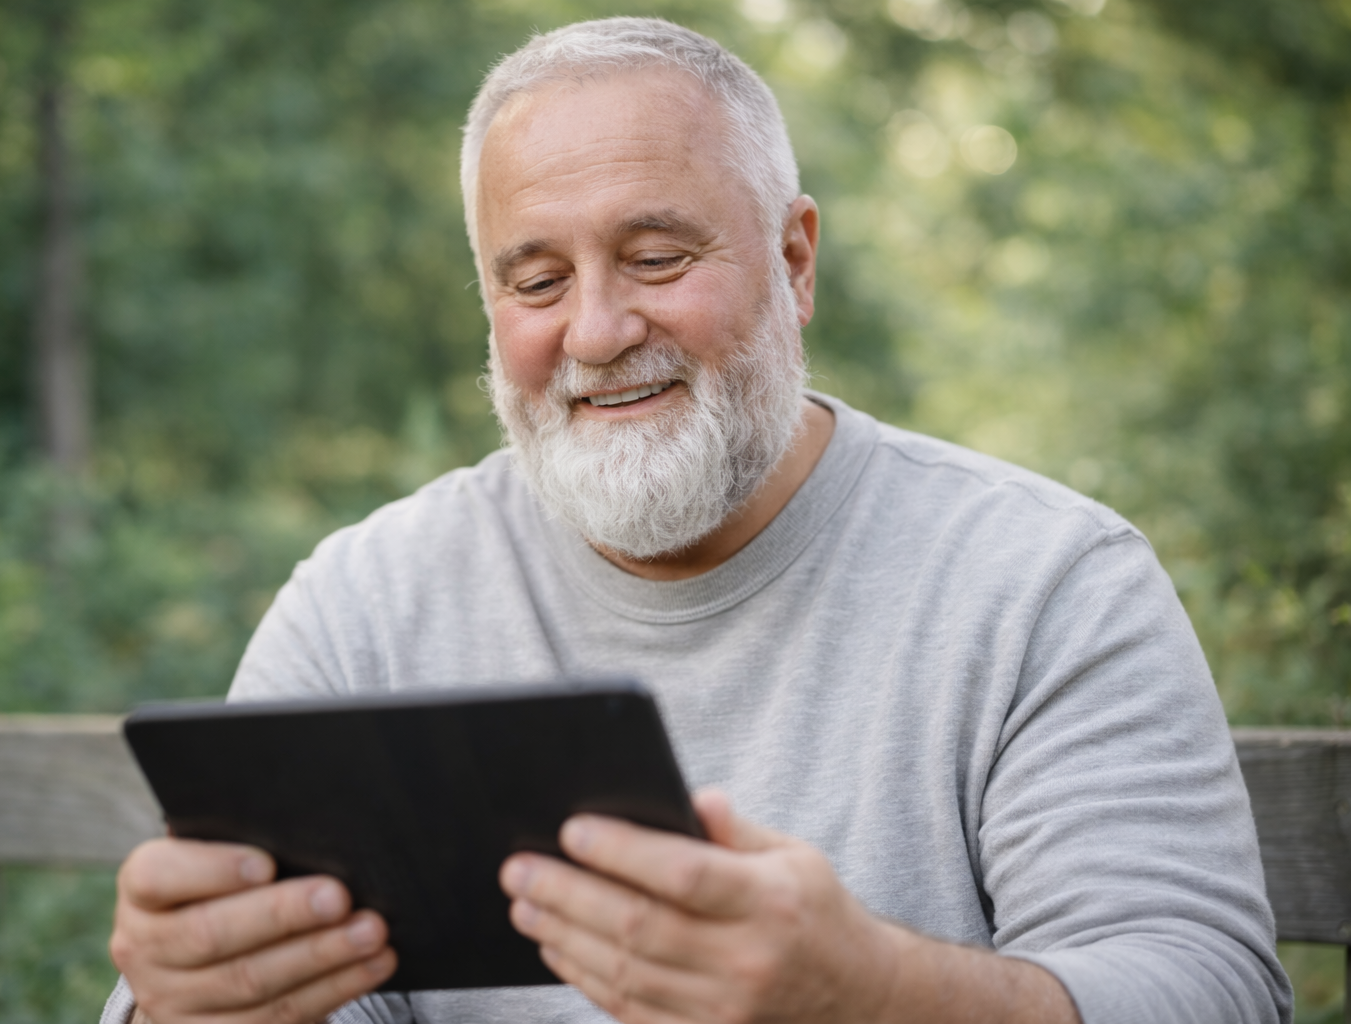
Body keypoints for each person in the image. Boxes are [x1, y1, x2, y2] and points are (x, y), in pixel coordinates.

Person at [101, 17, 1291, 1024]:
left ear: (796, 258)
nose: (599, 329)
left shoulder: (1042, 579)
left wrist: (870, 993)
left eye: (657, 256)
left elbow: (1207, 983)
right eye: (537, 281)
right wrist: (185, 996)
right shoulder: (363, 605)